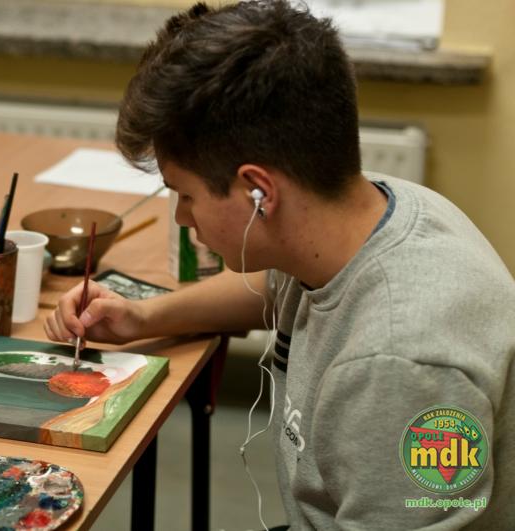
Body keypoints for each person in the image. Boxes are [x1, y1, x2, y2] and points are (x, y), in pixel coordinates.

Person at [44, 1, 515, 529]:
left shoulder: (397, 364)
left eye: (186, 195)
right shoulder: (360, 210)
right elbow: (273, 285)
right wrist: (144, 317)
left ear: (259, 192)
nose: (181, 217)